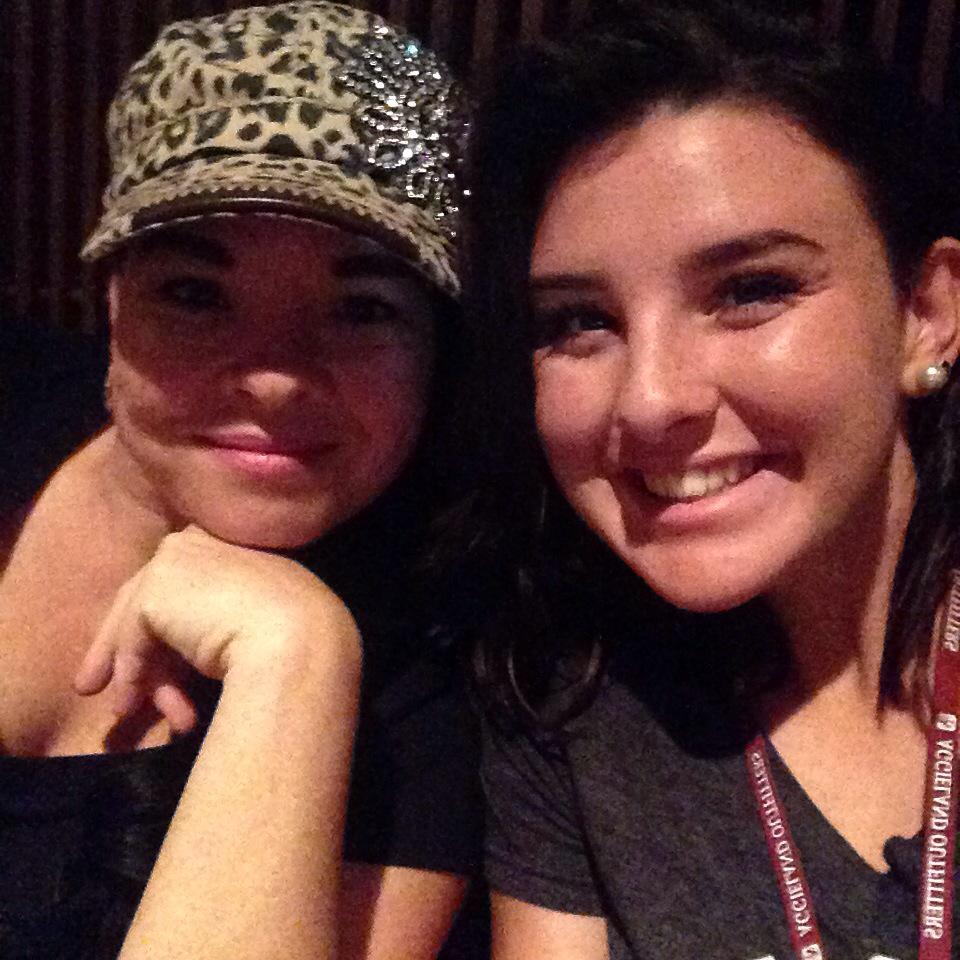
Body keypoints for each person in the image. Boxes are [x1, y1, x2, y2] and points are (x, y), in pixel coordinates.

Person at [458, 1, 960, 957]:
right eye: (578, 321)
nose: (649, 401)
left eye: (750, 290)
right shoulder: (567, 706)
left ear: (926, 315)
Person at [0, 4, 480, 959]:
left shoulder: (433, 693)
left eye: (361, 308)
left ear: (434, 346)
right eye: (195, 293)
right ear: (113, 298)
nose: (274, 378)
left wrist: (294, 654)